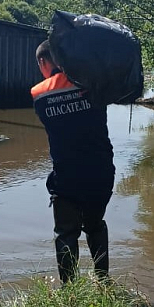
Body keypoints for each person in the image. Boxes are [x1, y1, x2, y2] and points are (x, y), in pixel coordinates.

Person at [30, 39, 115, 283]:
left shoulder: (39, 94)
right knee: (95, 225)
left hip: (67, 176)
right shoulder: (92, 83)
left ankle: (70, 293)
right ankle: (103, 282)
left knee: (66, 233)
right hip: (101, 172)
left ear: (43, 62)